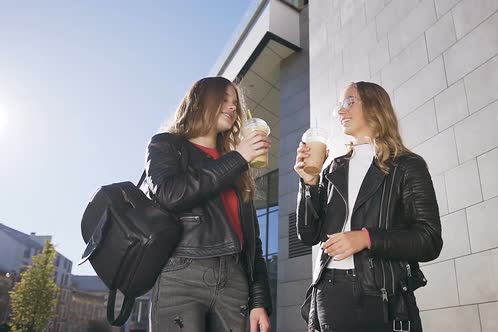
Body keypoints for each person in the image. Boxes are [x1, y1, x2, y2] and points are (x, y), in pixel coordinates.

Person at [295, 81, 443, 332]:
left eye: (349, 102)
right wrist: (309, 183)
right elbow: (309, 234)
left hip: (381, 294)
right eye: (338, 107)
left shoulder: (407, 165)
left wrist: (366, 238)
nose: (341, 112)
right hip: (329, 294)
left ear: (375, 106)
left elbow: (429, 240)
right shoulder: (333, 169)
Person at [146, 77, 272, 332]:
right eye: (224, 99)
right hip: (182, 272)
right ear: (200, 101)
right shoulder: (166, 145)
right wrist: (239, 157)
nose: (232, 107)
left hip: (235, 281)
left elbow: (252, 242)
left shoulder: (236, 165)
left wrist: (259, 301)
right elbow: (170, 194)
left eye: (235, 103)